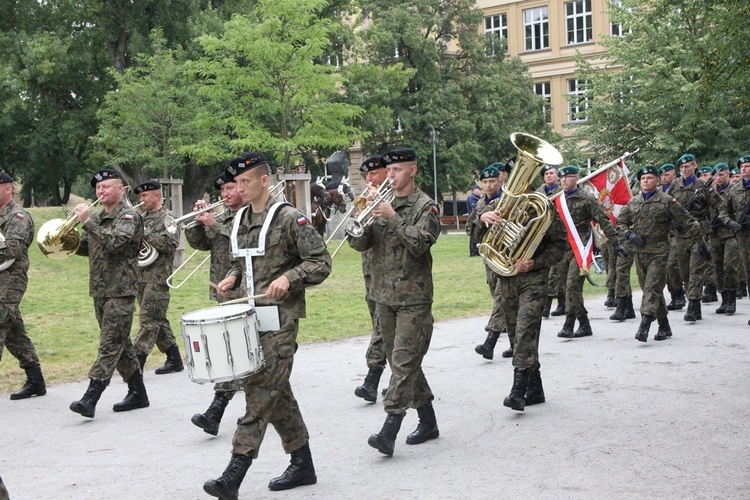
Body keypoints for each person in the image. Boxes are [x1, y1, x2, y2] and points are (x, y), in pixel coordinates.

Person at [205, 152, 331, 498]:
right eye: (236, 183)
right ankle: (302, 463)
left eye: (244, 182)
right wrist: (231, 278)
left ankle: (233, 475)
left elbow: (321, 262)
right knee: (277, 393)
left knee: (259, 392)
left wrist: (290, 278)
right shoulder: (241, 219)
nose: (238, 189)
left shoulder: (290, 219)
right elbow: (240, 261)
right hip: (249, 318)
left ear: (264, 181)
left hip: (281, 321)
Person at [348, 147, 441, 456]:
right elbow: (360, 243)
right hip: (383, 297)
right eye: (388, 171)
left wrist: (392, 217)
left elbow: (420, 244)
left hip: (413, 299)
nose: (391, 176)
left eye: (397, 170)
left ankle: (390, 428)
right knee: (403, 361)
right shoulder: (380, 202)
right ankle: (428, 421)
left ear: (412, 171)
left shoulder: (425, 206)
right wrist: (360, 213)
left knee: (401, 364)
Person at [469, 168, 567, 411]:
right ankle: (536, 389)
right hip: (506, 278)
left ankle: (518, 390)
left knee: (525, 331)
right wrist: (482, 220)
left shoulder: (542, 207)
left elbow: (560, 245)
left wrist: (537, 262)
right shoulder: (499, 206)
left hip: (533, 279)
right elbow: (475, 236)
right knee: (515, 333)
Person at [70, 169, 148, 418]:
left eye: (106, 187)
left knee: (109, 344)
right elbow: (88, 248)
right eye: (97, 188)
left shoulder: (128, 216)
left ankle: (90, 397)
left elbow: (115, 243)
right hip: (100, 291)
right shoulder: (97, 217)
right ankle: (138, 393)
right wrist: (66, 240)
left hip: (121, 291)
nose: (100, 192)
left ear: (120, 190)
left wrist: (87, 223)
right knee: (121, 344)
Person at [186, 173, 248, 436]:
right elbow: (199, 244)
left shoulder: (249, 216)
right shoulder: (221, 217)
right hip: (223, 290)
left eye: (230, 187)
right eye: (222, 189)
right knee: (238, 351)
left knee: (236, 351)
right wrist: (197, 222)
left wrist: (214, 225)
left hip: (245, 289)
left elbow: (239, 243)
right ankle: (254, 408)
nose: (226, 193)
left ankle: (217, 409)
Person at [617, 165, 701, 341]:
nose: (645, 181)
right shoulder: (634, 202)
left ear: (657, 181)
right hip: (640, 252)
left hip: (659, 252)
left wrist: (698, 243)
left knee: (651, 288)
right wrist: (629, 234)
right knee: (652, 290)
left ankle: (644, 326)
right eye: (643, 178)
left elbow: (689, 221)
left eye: (649, 178)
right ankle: (664, 325)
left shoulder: (667, 201)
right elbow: (621, 223)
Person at [554, 166, 626, 339]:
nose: (564, 180)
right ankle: (584, 323)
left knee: (572, 287)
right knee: (566, 288)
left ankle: (569, 324)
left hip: (581, 248)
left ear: (576, 178)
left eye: (569, 177)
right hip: (562, 249)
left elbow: (603, 220)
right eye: (562, 178)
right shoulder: (557, 199)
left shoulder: (587, 199)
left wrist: (615, 243)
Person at [0, 171, 47, 400]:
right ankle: (35, 380)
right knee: (13, 332)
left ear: (7, 188)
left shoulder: (18, 216)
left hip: (10, 282)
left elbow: (11, 250)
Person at [132, 180, 183, 374]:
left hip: (158, 277)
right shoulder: (140, 217)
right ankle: (174, 358)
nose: (141, 199)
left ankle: (137, 362)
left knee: (148, 319)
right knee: (157, 319)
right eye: (140, 196)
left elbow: (171, 244)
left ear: (156, 196)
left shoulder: (168, 218)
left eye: (145, 196)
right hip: (140, 275)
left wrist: (145, 234)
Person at [353, 154, 390, 402]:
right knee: (386, 329)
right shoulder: (368, 199)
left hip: (393, 273)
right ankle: (403, 378)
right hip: (370, 271)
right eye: (366, 175)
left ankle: (372, 377)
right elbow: (357, 240)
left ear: (387, 173)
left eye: (374, 174)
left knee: (382, 325)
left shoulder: (396, 199)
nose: (369, 179)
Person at [667, 153, 719, 322]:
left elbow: (721, 206)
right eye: (682, 167)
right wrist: (671, 221)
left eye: (687, 166)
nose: (684, 170)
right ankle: (693, 302)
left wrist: (711, 221)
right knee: (685, 272)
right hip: (680, 235)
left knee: (696, 270)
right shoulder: (675, 185)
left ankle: (693, 306)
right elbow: (665, 204)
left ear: (695, 165)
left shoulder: (704, 186)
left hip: (699, 234)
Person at [467, 164, 510, 360]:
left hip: (508, 256)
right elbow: (471, 231)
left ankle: (489, 342)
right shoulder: (479, 204)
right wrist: (480, 217)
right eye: (485, 182)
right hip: (490, 258)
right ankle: (516, 342)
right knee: (499, 298)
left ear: (499, 182)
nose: (489, 185)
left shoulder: (508, 199)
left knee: (502, 298)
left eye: (492, 181)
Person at [719, 155, 750, 325]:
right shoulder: (735, 189)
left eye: (747, 166)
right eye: (742, 166)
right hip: (743, 236)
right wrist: (730, 222)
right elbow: (723, 211)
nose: (744, 169)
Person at [709, 163, 739, 314]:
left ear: (728, 174)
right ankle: (724, 298)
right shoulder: (709, 190)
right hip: (714, 234)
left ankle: (732, 299)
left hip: (729, 233)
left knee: (729, 265)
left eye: (722, 175)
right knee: (717, 266)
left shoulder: (733, 190)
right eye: (717, 175)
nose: (719, 178)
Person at [536, 165, 563, 317]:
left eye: (552, 173)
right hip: (541, 235)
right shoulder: (538, 193)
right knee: (548, 272)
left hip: (558, 234)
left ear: (557, 176)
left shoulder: (562, 191)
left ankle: (555, 303)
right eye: (546, 173)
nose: (549, 176)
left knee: (557, 271)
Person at [660, 163, 686, 310]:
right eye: (662, 175)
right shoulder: (658, 191)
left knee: (673, 264)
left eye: (667, 175)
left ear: (674, 174)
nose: (664, 178)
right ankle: (674, 294)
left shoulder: (679, 189)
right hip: (663, 234)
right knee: (666, 267)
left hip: (677, 234)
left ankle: (680, 294)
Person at [466, 185, 482, 257]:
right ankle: (474, 252)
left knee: (477, 235)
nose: (480, 191)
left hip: (477, 219)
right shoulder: (472, 198)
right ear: (474, 190)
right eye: (478, 189)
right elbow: (475, 208)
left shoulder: (478, 198)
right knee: (474, 235)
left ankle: (477, 251)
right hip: (474, 219)